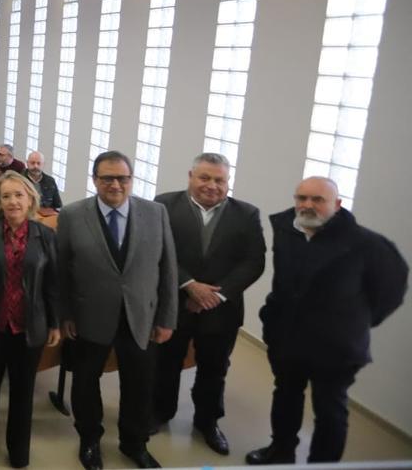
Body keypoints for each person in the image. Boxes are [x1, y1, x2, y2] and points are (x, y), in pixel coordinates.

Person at [245, 176, 408, 466]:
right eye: (301, 198)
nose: (307, 205)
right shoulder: (286, 229)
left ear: (338, 204)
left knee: (330, 409)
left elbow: (392, 289)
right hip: (287, 337)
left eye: (317, 200)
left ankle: (322, 466)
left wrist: (356, 323)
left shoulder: (366, 243)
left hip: (336, 347)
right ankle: (280, 451)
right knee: (286, 396)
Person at [57, 151, 177, 470]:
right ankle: (89, 439)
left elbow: (168, 269)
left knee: (140, 384)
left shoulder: (156, 213)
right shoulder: (71, 215)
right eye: (107, 178)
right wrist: (65, 313)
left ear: (131, 180)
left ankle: (134, 443)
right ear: (95, 180)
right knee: (85, 383)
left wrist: (167, 318)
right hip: (89, 317)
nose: (115, 184)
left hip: (141, 318)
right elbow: (61, 270)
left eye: (122, 178)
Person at [152, 153, 265, 455]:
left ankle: (207, 422)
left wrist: (215, 294)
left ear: (228, 182)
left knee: (215, 369)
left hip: (221, 311)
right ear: (190, 176)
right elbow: (158, 249)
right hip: (174, 304)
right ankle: (160, 412)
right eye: (204, 177)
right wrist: (189, 285)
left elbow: (253, 261)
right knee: (166, 363)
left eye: (219, 180)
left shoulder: (247, 214)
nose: (211, 185)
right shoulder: (163, 204)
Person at [0, 173, 61, 467]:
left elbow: (53, 283)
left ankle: (19, 454)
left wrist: (55, 322)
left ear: (30, 198)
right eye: (6, 196)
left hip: (29, 326)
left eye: (19, 195)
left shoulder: (46, 236)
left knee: (23, 392)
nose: (13, 201)